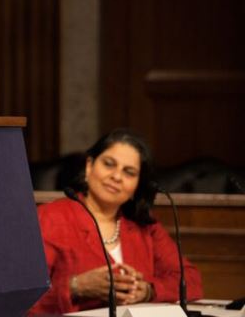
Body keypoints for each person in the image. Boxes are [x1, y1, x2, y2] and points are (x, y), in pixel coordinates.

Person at [28, 129, 203, 314]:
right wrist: (75, 287)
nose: (117, 176)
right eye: (109, 164)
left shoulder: (145, 227)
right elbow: (23, 296)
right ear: (89, 166)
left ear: (137, 186)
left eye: (129, 172)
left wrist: (148, 291)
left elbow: (191, 281)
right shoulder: (50, 217)